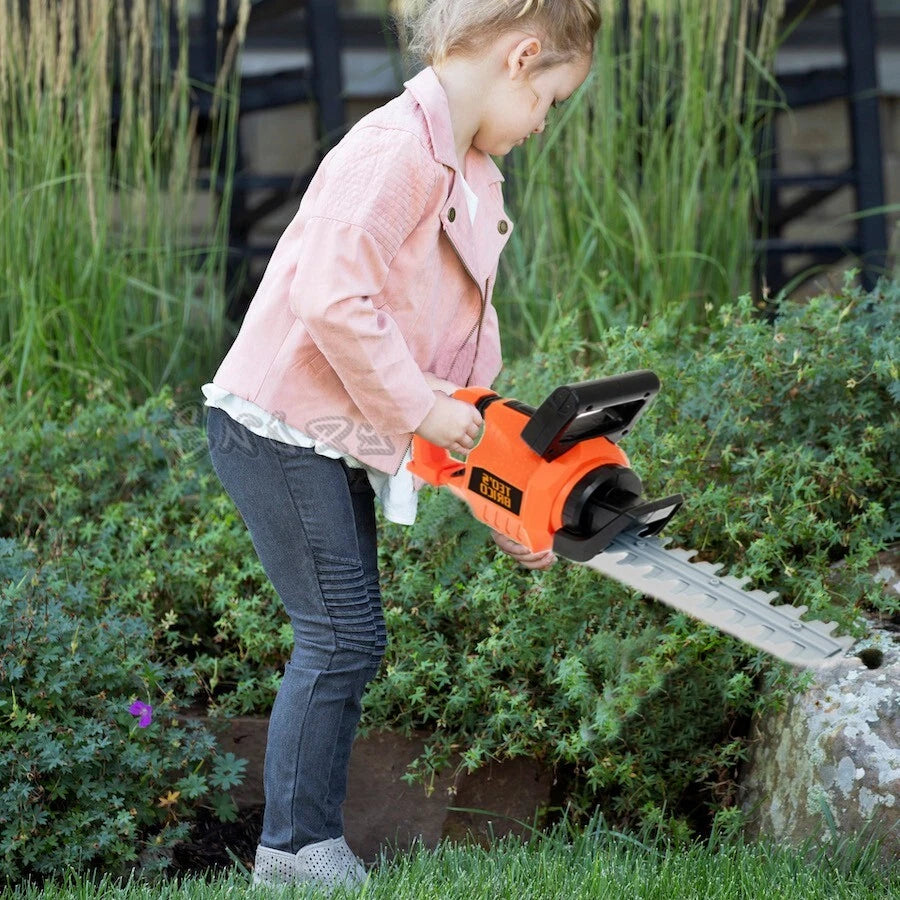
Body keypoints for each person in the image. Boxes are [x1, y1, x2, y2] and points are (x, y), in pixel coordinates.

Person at [203, 0, 599, 890]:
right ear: (522, 57)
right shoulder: (393, 152)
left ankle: (299, 848)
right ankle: (295, 854)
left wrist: (507, 496)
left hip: (329, 434)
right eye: (552, 99)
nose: (543, 123)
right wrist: (421, 408)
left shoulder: (465, 166)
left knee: (348, 635)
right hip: (277, 427)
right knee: (340, 634)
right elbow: (334, 301)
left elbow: (453, 381)